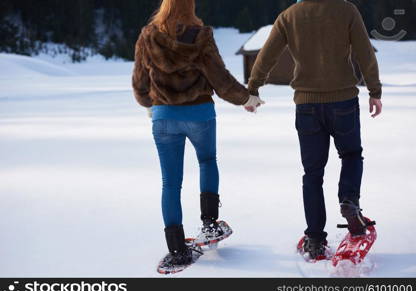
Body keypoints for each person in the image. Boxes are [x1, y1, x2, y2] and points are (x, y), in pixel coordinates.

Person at [132, 0, 264, 266]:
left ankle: (177, 249)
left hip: (164, 117)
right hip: (200, 114)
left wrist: (153, 105)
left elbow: (140, 84)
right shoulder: (201, 36)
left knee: (170, 182)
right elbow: (220, 79)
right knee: (207, 161)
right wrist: (247, 99)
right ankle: (209, 224)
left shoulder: (148, 35)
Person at [248, 0, 382, 259]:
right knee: (351, 155)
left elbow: (268, 54)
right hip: (343, 101)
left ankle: (314, 238)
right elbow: (364, 51)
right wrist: (374, 91)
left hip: (307, 106)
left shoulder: (289, 15)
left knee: (312, 173)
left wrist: (253, 87)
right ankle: (349, 201)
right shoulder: (346, 10)